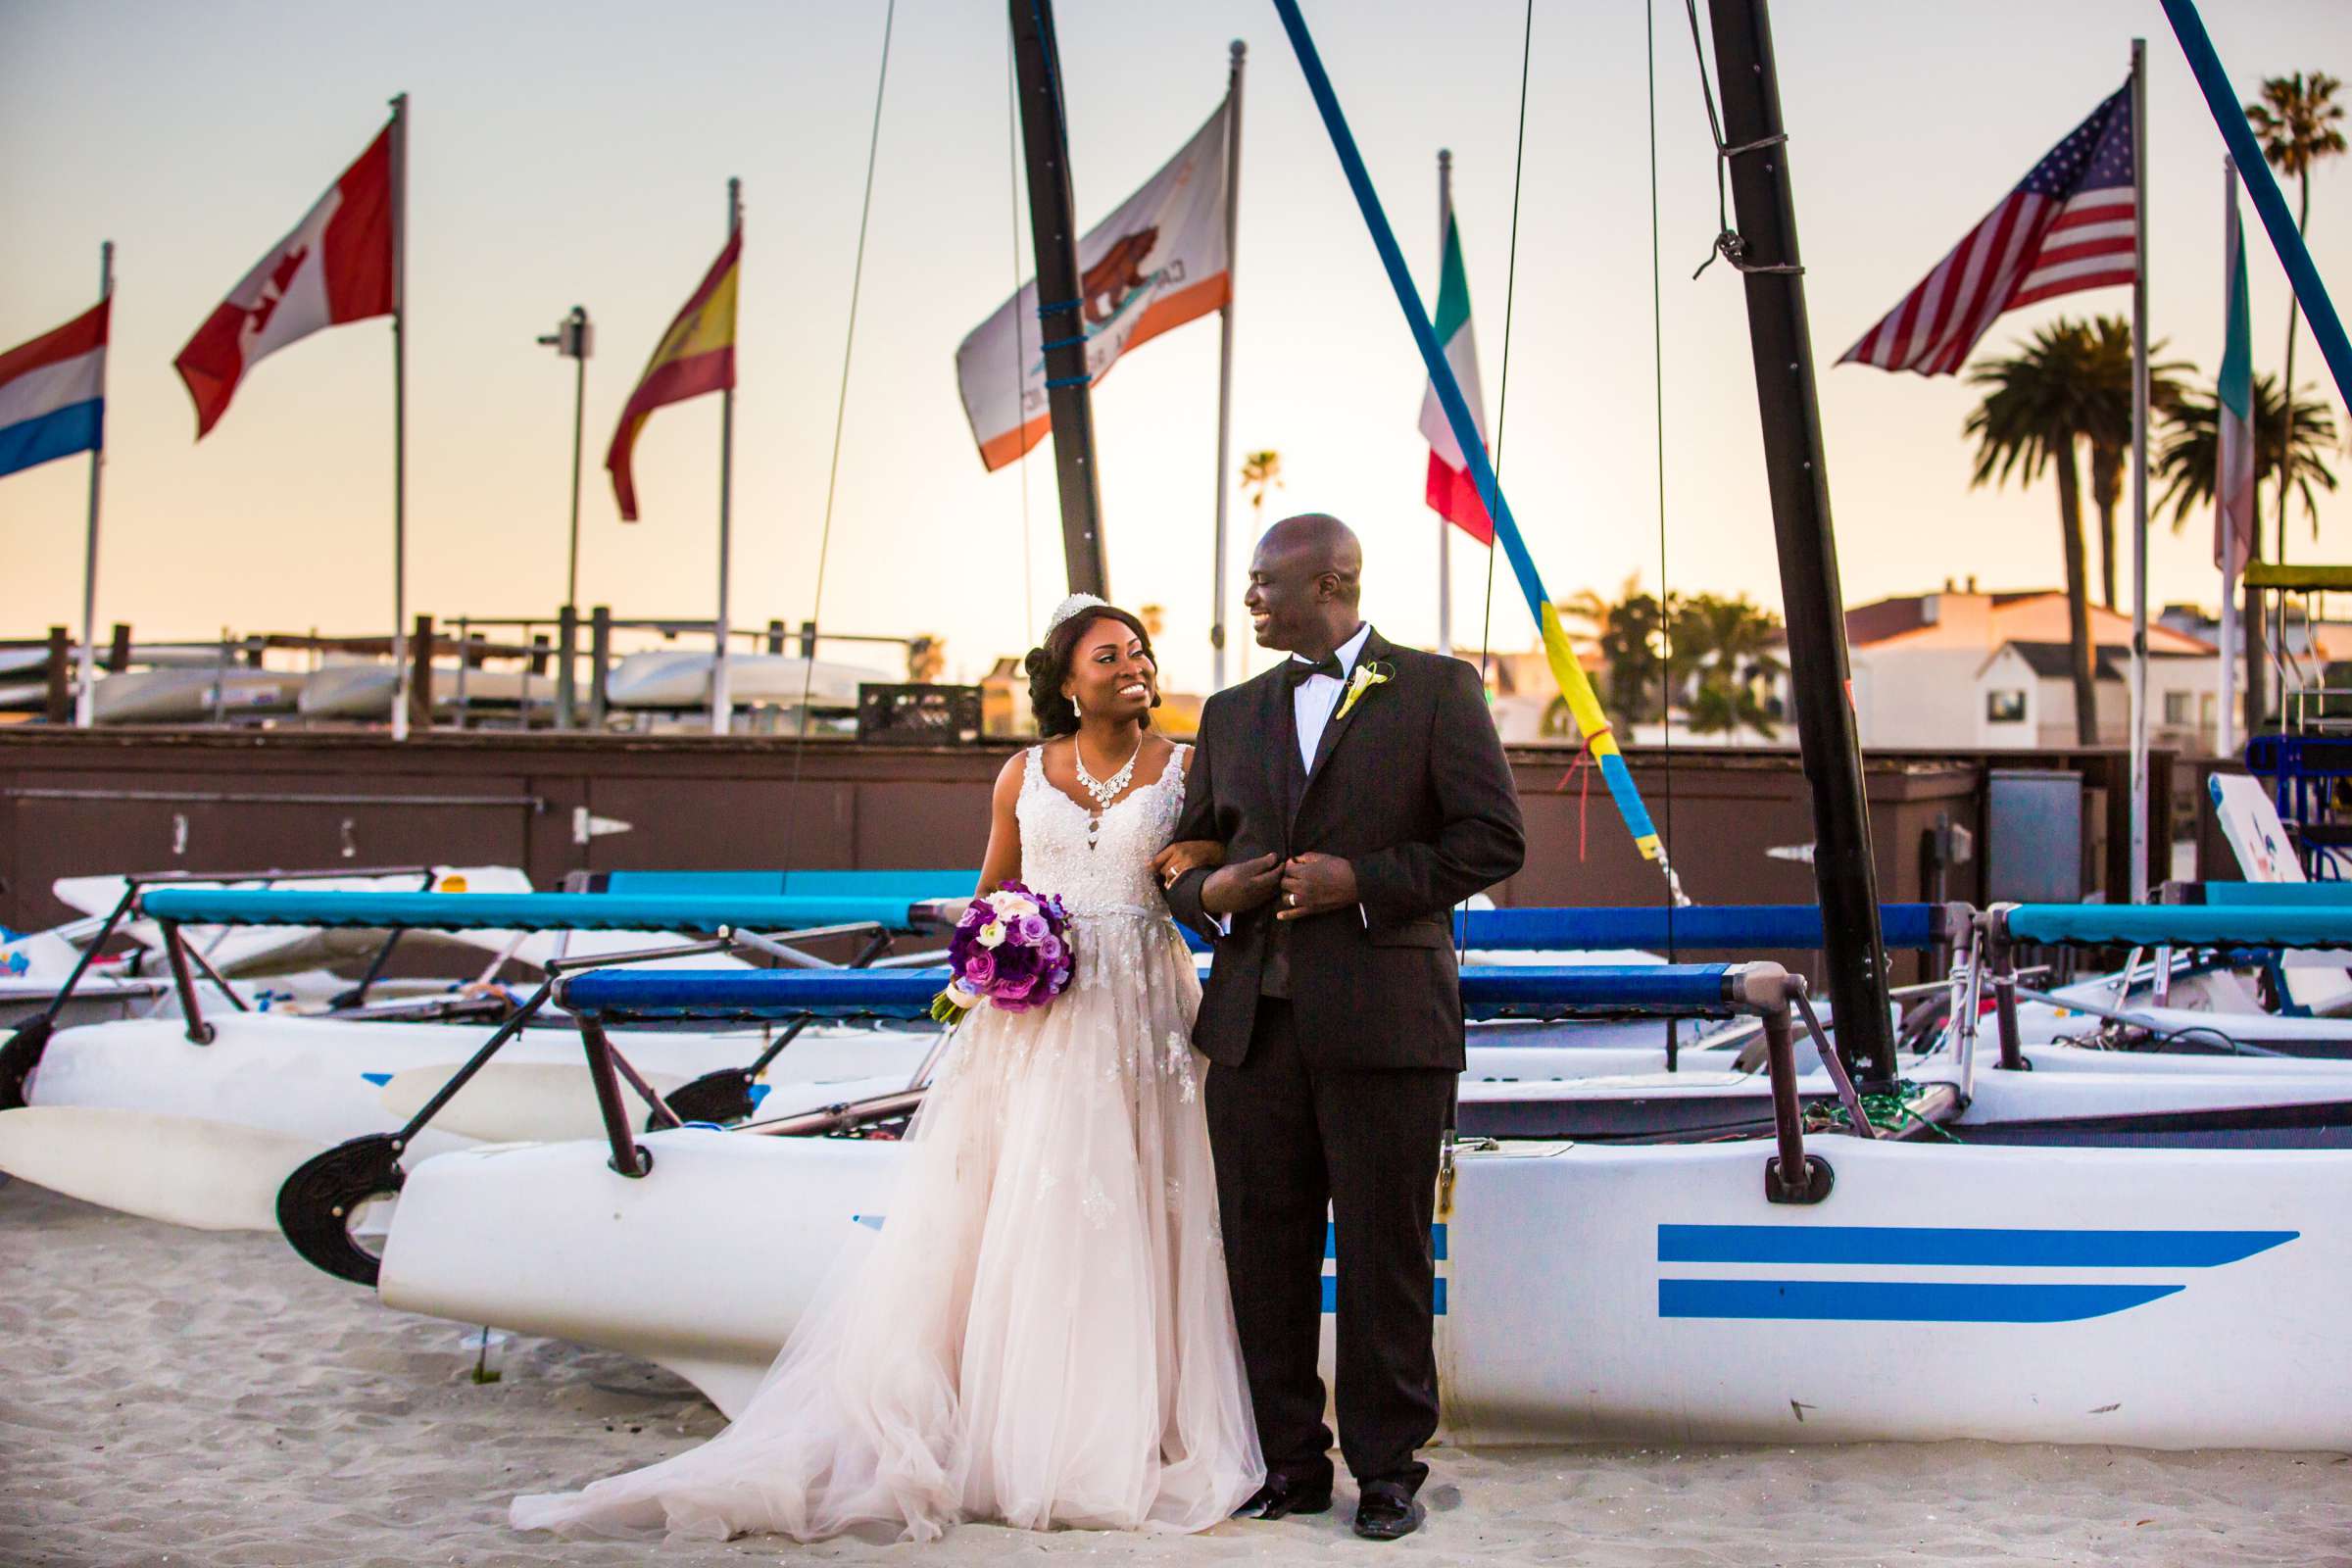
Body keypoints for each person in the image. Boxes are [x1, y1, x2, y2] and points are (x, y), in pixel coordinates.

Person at [511, 595, 1261, 1543]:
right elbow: (996, 889)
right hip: (1040, 1022)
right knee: (1034, 1207)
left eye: (1140, 651)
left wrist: (1200, 850)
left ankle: (1136, 1426)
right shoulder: (1022, 773)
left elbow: (1216, 874)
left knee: (1144, 1202)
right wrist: (999, 940)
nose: (1132, 665)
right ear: (1067, 682)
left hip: (1147, 1012)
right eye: (1108, 655)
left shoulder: (1189, 768)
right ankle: (1026, 1425)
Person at [1162, 513, 1526, 1543]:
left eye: (1262, 582)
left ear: (1328, 581)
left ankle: (1388, 1472)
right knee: (1262, 1254)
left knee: (1385, 1254)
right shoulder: (1230, 714)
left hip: (1387, 1026)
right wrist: (1213, 893)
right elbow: (1185, 856)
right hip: (1251, 1031)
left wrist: (1362, 881)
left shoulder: (1439, 691)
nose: (1249, 601)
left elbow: (1494, 838)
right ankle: (1288, 1464)